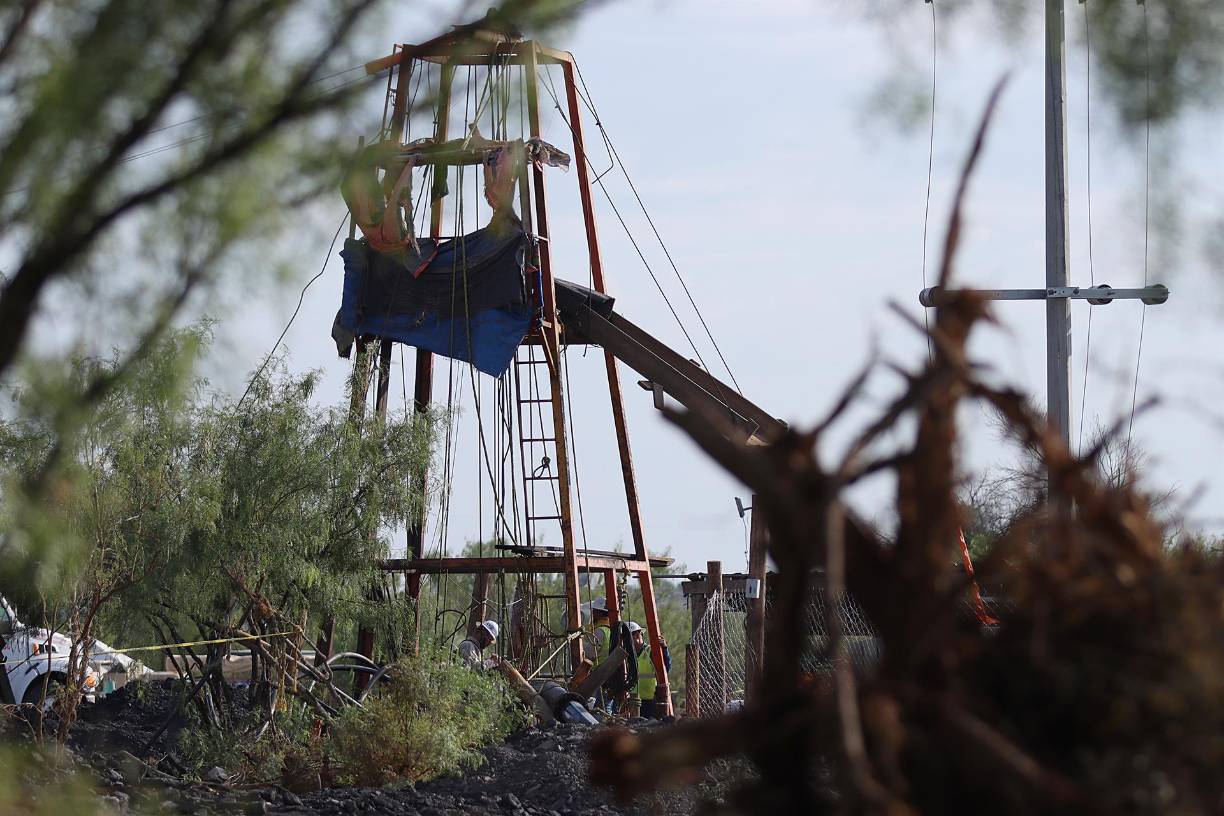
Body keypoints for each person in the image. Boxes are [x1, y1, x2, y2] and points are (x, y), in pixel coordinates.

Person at [627, 621, 671, 719]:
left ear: (638, 636)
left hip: (650, 701)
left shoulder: (651, 651)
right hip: (633, 701)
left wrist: (664, 649)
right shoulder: (627, 654)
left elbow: (666, 668)